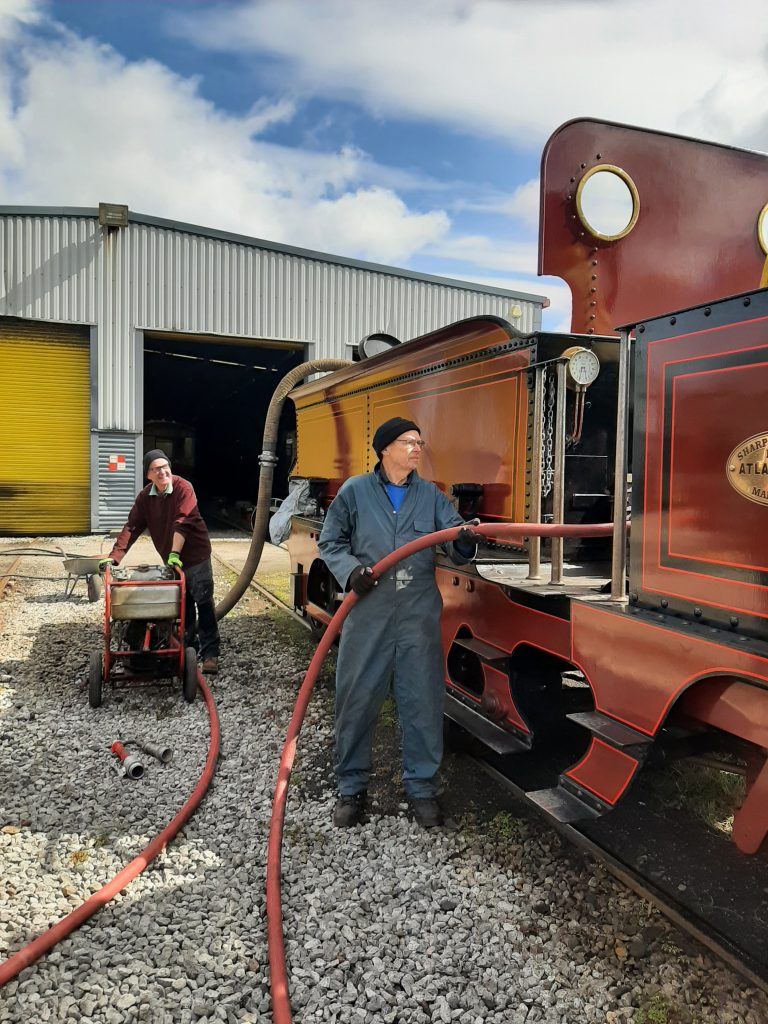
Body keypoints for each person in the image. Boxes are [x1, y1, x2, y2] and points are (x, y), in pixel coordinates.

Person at [318, 416, 483, 828]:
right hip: (368, 612)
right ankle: (351, 786)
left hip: (416, 615)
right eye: (409, 441)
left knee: (422, 701)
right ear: (385, 448)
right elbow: (330, 541)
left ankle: (422, 787)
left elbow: (455, 541)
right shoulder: (355, 492)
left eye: (419, 442)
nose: (416, 448)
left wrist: (465, 538)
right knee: (356, 699)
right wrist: (350, 571)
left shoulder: (430, 496)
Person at [99, 449, 221, 675]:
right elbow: (132, 526)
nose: (163, 472)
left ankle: (211, 653)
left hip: (195, 554)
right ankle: (187, 648)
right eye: (156, 469)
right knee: (182, 604)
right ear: (148, 475)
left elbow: (182, 521)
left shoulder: (184, 488)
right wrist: (114, 557)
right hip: (172, 557)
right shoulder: (146, 497)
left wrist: (175, 552)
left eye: (165, 467)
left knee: (203, 600)